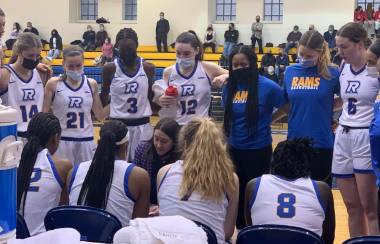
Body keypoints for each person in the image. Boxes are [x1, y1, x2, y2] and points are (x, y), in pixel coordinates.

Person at [222, 45, 288, 231]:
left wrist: (267, 120)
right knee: (236, 193)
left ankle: (257, 229)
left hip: (258, 150)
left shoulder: (268, 86)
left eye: (243, 64)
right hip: (234, 149)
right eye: (235, 65)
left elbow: (287, 110)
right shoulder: (229, 88)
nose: (239, 68)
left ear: (252, 64)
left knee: (257, 194)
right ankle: (241, 230)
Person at [272, 30, 340, 188]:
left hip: (321, 143)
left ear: (320, 52)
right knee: (294, 194)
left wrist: (326, 110)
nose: (303, 59)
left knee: (320, 195)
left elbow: (347, 99)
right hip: (294, 142)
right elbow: (287, 105)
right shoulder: (290, 72)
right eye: (301, 54)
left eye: (309, 56)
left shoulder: (333, 73)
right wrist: (267, 121)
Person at [157, 117, 239, 244]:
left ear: (185, 144)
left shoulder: (164, 172)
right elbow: (227, 232)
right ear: (217, 145)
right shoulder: (230, 178)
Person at [333, 22, 380, 236]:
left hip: (365, 136)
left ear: (360, 44)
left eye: (344, 47)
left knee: (371, 210)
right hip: (343, 135)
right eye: (337, 47)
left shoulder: (375, 70)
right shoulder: (342, 68)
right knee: (352, 208)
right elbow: (345, 101)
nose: (339, 52)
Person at [245, 137, 335, 244]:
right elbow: (328, 239)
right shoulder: (322, 189)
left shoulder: (253, 185)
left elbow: (250, 230)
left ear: (274, 162)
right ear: (305, 163)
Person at [68, 120, 150, 227]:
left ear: (98, 143)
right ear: (126, 145)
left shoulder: (74, 171)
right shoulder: (138, 175)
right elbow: (139, 226)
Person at [42, 45, 110, 166]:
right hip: (61, 141)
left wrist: (118, 100)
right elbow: (42, 115)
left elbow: (100, 115)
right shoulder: (53, 84)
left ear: (83, 62)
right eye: (70, 66)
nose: (75, 69)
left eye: (78, 65)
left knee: (85, 182)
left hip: (87, 141)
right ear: (63, 64)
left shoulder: (91, 84)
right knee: (62, 182)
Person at [100, 28, 159, 161]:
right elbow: (102, 100)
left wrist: (168, 109)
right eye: (123, 49)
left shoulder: (148, 68)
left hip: (142, 126)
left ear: (137, 45)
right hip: (117, 126)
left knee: (143, 170)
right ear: (117, 47)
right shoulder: (109, 68)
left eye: (130, 49)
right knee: (116, 171)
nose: (127, 52)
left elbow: (150, 99)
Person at [154, 31, 228, 126]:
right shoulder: (168, 72)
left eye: (186, 53)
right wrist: (161, 99)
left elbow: (235, 75)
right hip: (175, 126)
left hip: (200, 127)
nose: (182, 57)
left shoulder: (206, 68)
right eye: (178, 53)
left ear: (196, 51)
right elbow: (162, 100)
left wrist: (225, 76)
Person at [17, 112, 72, 236]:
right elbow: (62, 212)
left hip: (13, 238)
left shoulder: (13, 163)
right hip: (43, 239)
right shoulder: (63, 166)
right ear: (55, 138)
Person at [0, 33, 47, 144]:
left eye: (38, 56)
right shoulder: (5, 74)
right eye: (30, 56)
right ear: (19, 53)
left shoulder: (41, 73)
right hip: (11, 136)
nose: (35, 59)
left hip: (36, 137)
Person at [133, 117, 180, 211]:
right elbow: (135, 184)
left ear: (175, 142)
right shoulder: (142, 150)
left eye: (164, 141)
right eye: (156, 139)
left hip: (171, 205)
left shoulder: (181, 157)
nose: (158, 145)